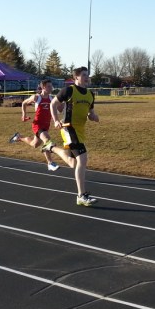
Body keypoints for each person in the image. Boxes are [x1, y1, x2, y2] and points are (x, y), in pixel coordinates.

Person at [43, 67, 100, 207]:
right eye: (84, 75)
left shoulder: (90, 94)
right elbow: (53, 104)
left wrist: (93, 116)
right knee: (83, 159)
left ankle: (51, 147)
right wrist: (56, 120)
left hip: (80, 130)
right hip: (69, 128)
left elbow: (90, 113)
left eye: (87, 75)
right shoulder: (69, 90)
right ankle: (81, 195)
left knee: (73, 163)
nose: (87, 77)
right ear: (76, 77)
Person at [8, 79, 59, 171]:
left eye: (52, 86)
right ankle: (50, 163)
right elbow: (24, 103)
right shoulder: (36, 97)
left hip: (46, 125)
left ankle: (19, 137)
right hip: (37, 125)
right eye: (49, 86)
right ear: (43, 87)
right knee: (47, 140)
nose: (51, 88)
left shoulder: (52, 98)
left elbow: (60, 108)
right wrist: (24, 115)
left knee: (34, 144)